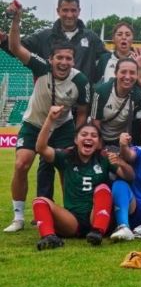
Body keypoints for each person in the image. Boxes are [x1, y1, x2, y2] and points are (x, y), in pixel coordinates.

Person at [4, 2, 90, 232]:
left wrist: (76, 135)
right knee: (22, 164)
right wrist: (16, 19)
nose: (63, 63)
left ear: (73, 61)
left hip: (63, 128)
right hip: (34, 123)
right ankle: (19, 217)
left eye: (68, 59)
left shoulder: (80, 81)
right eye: (59, 58)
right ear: (50, 59)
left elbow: (82, 112)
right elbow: (14, 46)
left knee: (67, 169)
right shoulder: (40, 67)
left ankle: (69, 212)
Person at [31, 106, 133, 249]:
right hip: (72, 220)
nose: (88, 138)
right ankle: (49, 237)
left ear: (98, 143)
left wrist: (121, 163)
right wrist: (50, 119)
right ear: (76, 139)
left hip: (96, 216)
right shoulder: (66, 156)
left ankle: (97, 231)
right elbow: (41, 148)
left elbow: (129, 176)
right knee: (40, 201)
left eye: (93, 136)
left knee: (103, 188)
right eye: (84, 134)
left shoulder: (104, 157)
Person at [1, 0, 105, 83]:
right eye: (65, 10)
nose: (69, 15)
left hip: (82, 102)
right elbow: (16, 48)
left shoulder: (91, 38)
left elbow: (108, 60)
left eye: (73, 10)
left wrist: (93, 82)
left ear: (79, 11)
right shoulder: (44, 37)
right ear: (58, 11)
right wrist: (4, 39)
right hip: (50, 100)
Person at [91, 58, 141, 146]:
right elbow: (95, 122)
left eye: (132, 73)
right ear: (116, 73)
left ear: (137, 76)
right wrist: (100, 146)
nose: (127, 77)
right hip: (100, 137)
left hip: (122, 140)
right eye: (123, 72)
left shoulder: (138, 94)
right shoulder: (102, 91)